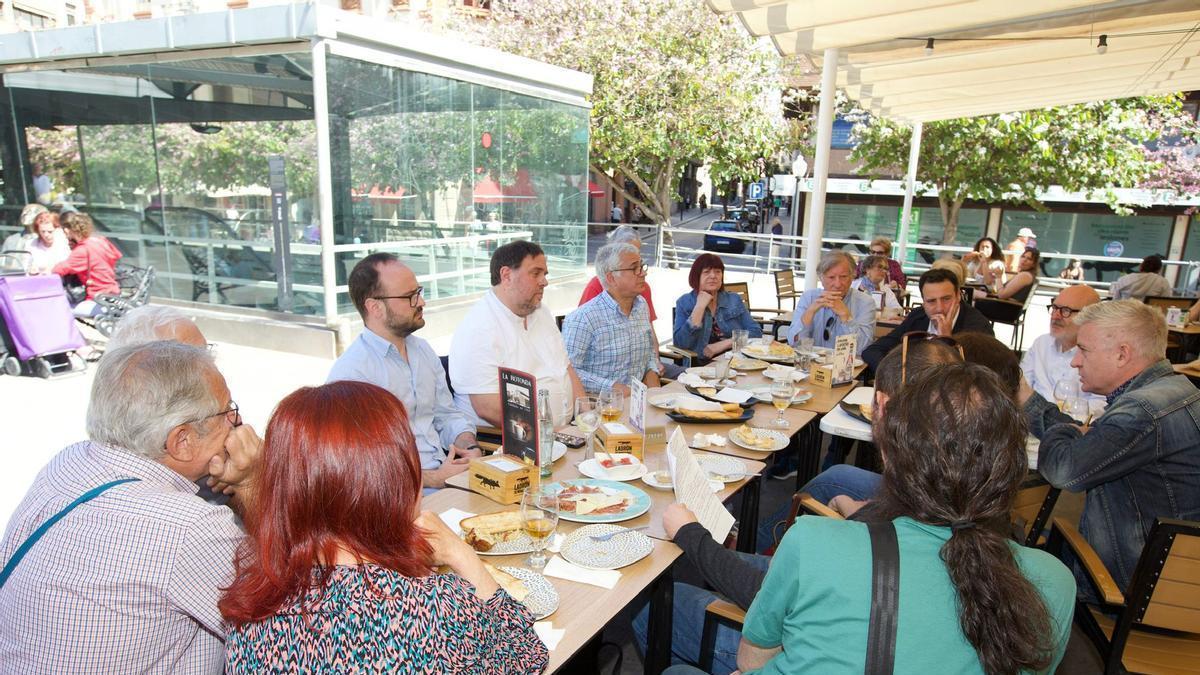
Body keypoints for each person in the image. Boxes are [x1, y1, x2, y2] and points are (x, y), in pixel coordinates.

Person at [644, 362, 1075, 675]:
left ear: (887, 452)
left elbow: (751, 659)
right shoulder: (1054, 581)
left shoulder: (815, 542)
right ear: (1015, 466)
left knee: (655, 616)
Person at [220, 381, 547, 673]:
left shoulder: (250, 608)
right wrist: (462, 554)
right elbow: (529, 657)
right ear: (392, 480)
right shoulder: (433, 609)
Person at [0, 341, 261, 673]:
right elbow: (290, 617)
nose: (238, 420)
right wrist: (251, 483)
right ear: (181, 441)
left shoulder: (67, 461)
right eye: (228, 410)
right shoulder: (188, 527)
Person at [1021, 300, 1200, 595]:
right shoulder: (1178, 390)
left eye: (1084, 350)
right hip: (1175, 586)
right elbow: (1089, 446)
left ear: (1122, 354)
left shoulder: (1140, 411)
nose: (1075, 361)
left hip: (1127, 584)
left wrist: (1069, 431)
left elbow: (1063, 471)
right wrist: (1029, 401)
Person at [330, 253, 480, 490]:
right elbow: (360, 468)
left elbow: (447, 416)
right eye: (410, 296)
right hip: (400, 499)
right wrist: (434, 479)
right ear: (375, 307)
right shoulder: (353, 374)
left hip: (448, 480)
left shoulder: (422, 350)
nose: (421, 302)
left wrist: (470, 448)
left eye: (418, 292)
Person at [450, 241, 585, 427]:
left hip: (567, 433)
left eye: (544, 274)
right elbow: (487, 407)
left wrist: (587, 418)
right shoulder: (479, 327)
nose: (544, 281)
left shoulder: (541, 311)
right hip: (514, 443)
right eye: (535, 273)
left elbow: (566, 368)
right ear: (506, 276)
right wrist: (544, 437)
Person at [563, 243, 660, 395]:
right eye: (634, 268)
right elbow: (569, 372)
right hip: (598, 407)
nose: (642, 273)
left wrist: (655, 395)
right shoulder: (584, 318)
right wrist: (616, 388)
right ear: (611, 278)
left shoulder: (641, 306)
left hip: (637, 403)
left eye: (641, 266)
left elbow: (649, 356)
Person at [577, 226, 670, 376]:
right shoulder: (595, 288)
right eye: (627, 252)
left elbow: (649, 331)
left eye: (637, 253)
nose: (642, 271)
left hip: (639, 373)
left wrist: (655, 362)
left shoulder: (642, 290)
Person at [862, 268, 993, 372]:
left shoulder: (978, 327)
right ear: (923, 302)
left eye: (946, 299)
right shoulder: (919, 316)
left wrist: (947, 339)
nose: (939, 308)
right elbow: (873, 351)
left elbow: (975, 377)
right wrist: (898, 376)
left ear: (959, 296)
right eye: (931, 301)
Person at [1020, 284, 1104, 405]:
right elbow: (1022, 385)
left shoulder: (1101, 356)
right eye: (1054, 308)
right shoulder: (1041, 344)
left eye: (1066, 311)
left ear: (1091, 318)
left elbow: (1099, 405)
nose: (1055, 316)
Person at [672, 253, 761, 362]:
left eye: (718, 272)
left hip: (736, 360)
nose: (713, 276)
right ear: (696, 276)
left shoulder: (734, 299)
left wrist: (726, 343)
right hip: (701, 365)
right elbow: (681, 343)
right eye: (706, 272)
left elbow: (756, 332)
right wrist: (699, 307)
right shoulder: (685, 302)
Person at [787, 250, 875, 355]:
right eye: (831, 277)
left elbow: (862, 349)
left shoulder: (865, 302)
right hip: (811, 364)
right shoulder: (809, 297)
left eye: (844, 277)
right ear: (821, 278)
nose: (837, 284)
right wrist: (810, 312)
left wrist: (846, 317)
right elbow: (794, 343)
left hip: (847, 367)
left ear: (852, 276)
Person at [51, 212, 122, 318]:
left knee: (60, 308)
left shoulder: (83, 250)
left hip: (97, 299)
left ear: (67, 230)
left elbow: (57, 270)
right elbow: (116, 256)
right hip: (112, 293)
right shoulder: (101, 241)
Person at [1108, 254, 1173, 300]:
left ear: (1141, 266)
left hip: (1125, 315)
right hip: (1149, 316)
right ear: (1159, 269)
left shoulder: (1124, 279)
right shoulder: (1162, 282)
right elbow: (1166, 302)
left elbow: (1115, 301)